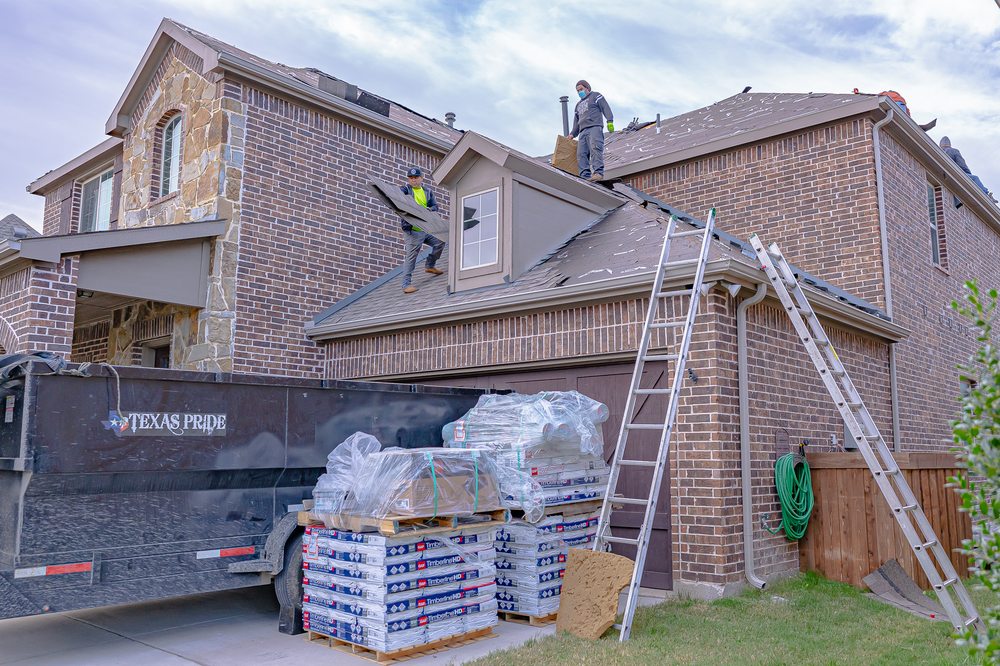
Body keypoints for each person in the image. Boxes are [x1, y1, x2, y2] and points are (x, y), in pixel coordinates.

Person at [398, 167, 445, 294]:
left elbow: (435, 206)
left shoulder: (427, 191)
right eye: (411, 178)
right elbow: (396, 198)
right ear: (409, 179)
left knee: (440, 241)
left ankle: (430, 265)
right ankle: (406, 285)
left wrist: (429, 210)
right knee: (411, 257)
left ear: (421, 178)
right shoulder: (405, 190)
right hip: (413, 231)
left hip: (426, 228)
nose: (413, 180)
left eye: (416, 177)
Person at [567, 80, 614, 181]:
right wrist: (572, 134)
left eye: (581, 89)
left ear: (587, 88)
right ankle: (584, 176)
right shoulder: (578, 105)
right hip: (582, 131)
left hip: (594, 127)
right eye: (578, 91)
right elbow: (576, 123)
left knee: (595, 148)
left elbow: (605, 107)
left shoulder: (596, 96)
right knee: (581, 154)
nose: (580, 92)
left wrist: (609, 120)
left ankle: (598, 173)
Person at [940, 136, 994, 201]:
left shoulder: (939, 151)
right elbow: (962, 165)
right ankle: (987, 195)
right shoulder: (953, 151)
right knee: (975, 178)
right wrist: (967, 174)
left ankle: (957, 202)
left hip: (947, 174)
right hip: (956, 173)